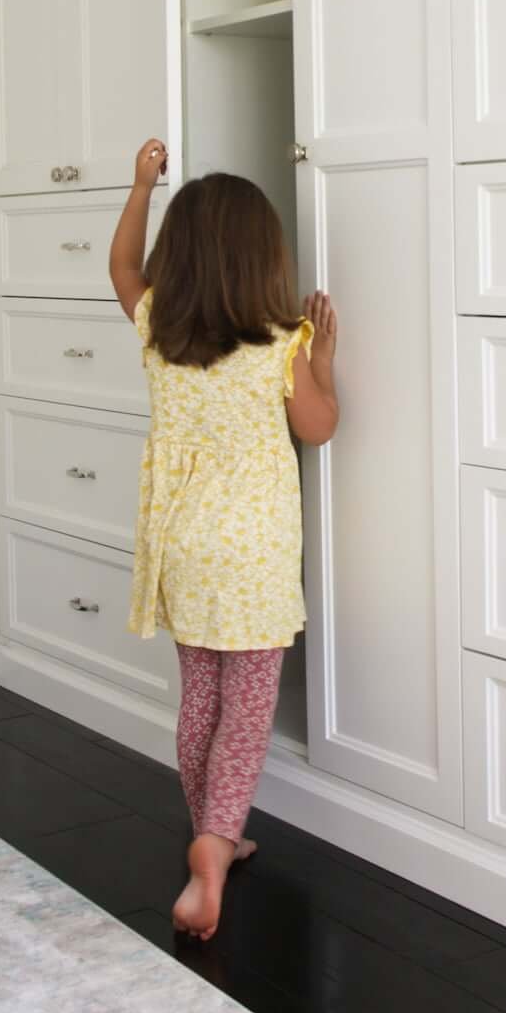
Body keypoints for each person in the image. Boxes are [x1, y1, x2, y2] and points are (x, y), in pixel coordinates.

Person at [109, 139, 339, 941]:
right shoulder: (283, 343)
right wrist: (327, 361)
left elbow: (122, 270)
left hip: (182, 545)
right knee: (247, 708)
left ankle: (214, 826)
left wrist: (141, 188)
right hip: (252, 554)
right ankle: (214, 846)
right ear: (261, 260)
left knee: (199, 699)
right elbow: (319, 428)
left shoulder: (158, 333)